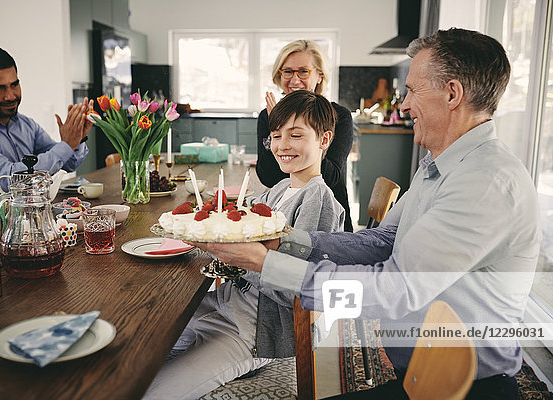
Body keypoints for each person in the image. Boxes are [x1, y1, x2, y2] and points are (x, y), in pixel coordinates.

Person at [194, 28, 541, 399]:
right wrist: (285, 241)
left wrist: (268, 264)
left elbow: (394, 291)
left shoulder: (484, 181)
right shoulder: (441, 164)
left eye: (412, 90)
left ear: (452, 94)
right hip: (420, 373)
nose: (404, 105)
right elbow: (381, 240)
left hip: (463, 387)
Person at [144, 90, 346, 399]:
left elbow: (296, 290)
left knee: (154, 392)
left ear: (324, 139)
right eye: (276, 136)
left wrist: (235, 257)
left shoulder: (318, 199)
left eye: (295, 135)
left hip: (256, 331)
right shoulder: (278, 189)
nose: (283, 146)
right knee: (139, 351)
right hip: (224, 307)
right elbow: (236, 228)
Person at [0, 46, 92, 209]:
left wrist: (77, 137)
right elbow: (9, 180)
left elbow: (67, 163)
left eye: (14, 84)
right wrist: (67, 144)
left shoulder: (25, 124)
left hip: (28, 221)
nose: (10, 95)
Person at [257, 39, 355, 232]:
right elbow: (268, 177)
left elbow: (332, 176)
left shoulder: (339, 116)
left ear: (319, 75)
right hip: (285, 216)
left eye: (303, 71)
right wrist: (278, 127)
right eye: (287, 71)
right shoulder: (267, 115)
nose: (294, 80)